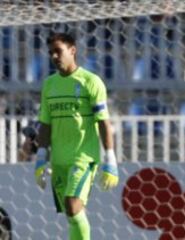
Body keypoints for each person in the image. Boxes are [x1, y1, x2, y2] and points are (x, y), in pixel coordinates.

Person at [34, 33, 119, 240]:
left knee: (72, 206)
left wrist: (110, 159)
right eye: (51, 52)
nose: (54, 56)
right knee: (72, 215)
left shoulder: (91, 81)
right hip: (59, 160)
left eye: (58, 51)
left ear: (72, 51)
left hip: (83, 158)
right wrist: (41, 157)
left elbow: (103, 122)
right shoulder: (49, 84)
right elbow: (45, 124)